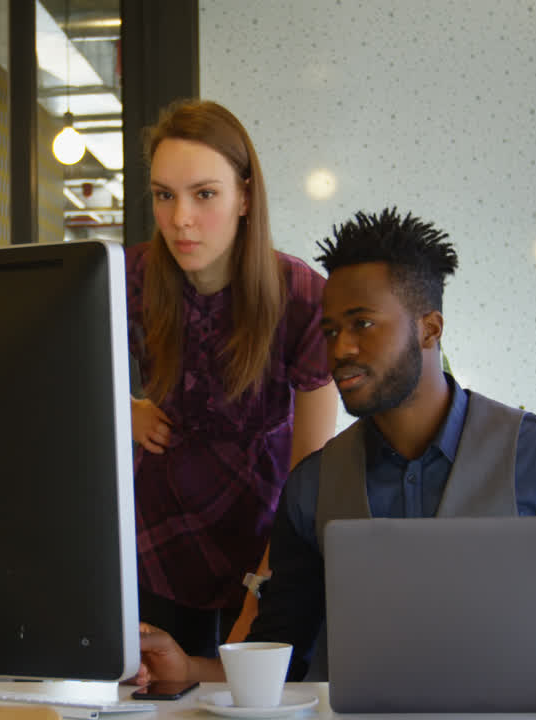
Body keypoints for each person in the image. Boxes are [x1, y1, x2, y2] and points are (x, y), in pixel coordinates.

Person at [136, 208, 536, 714]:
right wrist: (186, 667)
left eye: (362, 323)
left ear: (429, 328)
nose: (339, 347)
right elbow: (281, 656)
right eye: (329, 330)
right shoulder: (312, 487)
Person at [126, 100, 340, 658]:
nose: (180, 220)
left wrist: (264, 584)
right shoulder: (132, 277)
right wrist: (123, 408)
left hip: (265, 528)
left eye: (204, 194)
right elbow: (62, 370)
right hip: (159, 534)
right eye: (164, 195)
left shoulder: (301, 297)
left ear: (245, 196)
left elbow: (310, 471)